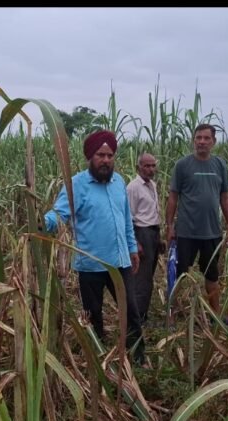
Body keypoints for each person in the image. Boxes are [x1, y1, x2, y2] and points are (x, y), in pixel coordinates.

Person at [43, 130, 145, 364]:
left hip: (120, 262)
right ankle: (98, 357)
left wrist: (132, 248)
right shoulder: (76, 185)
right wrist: (42, 222)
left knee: (131, 310)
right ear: (90, 156)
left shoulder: (119, 182)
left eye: (109, 155)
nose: (106, 160)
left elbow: (126, 220)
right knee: (93, 314)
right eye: (100, 155)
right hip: (91, 264)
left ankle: (138, 354)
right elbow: (59, 214)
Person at [166, 124, 228, 322]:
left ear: (214, 142)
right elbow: (173, 198)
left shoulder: (220, 165)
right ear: (193, 140)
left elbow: (225, 198)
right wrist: (169, 227)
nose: (202, 142)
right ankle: (171, 315)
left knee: (212, 275)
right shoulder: (182, 165)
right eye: (198, 138)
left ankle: (215, 315)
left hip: (211, 232)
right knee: (178, 274)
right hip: (186, 232)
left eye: (206, 138)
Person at [126, 152, 164, 323]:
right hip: (141, 233)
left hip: (153, 233)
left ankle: (143, 314)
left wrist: (159, 238)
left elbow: (152, 213)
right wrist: (135, 242)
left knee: (149, 276)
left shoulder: (152, 185)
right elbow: (128, 216)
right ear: (138, 167)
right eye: (146, 166)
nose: (150, 169)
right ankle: (137, 318)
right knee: (141, 278)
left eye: (153, 166)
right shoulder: (133, 188)